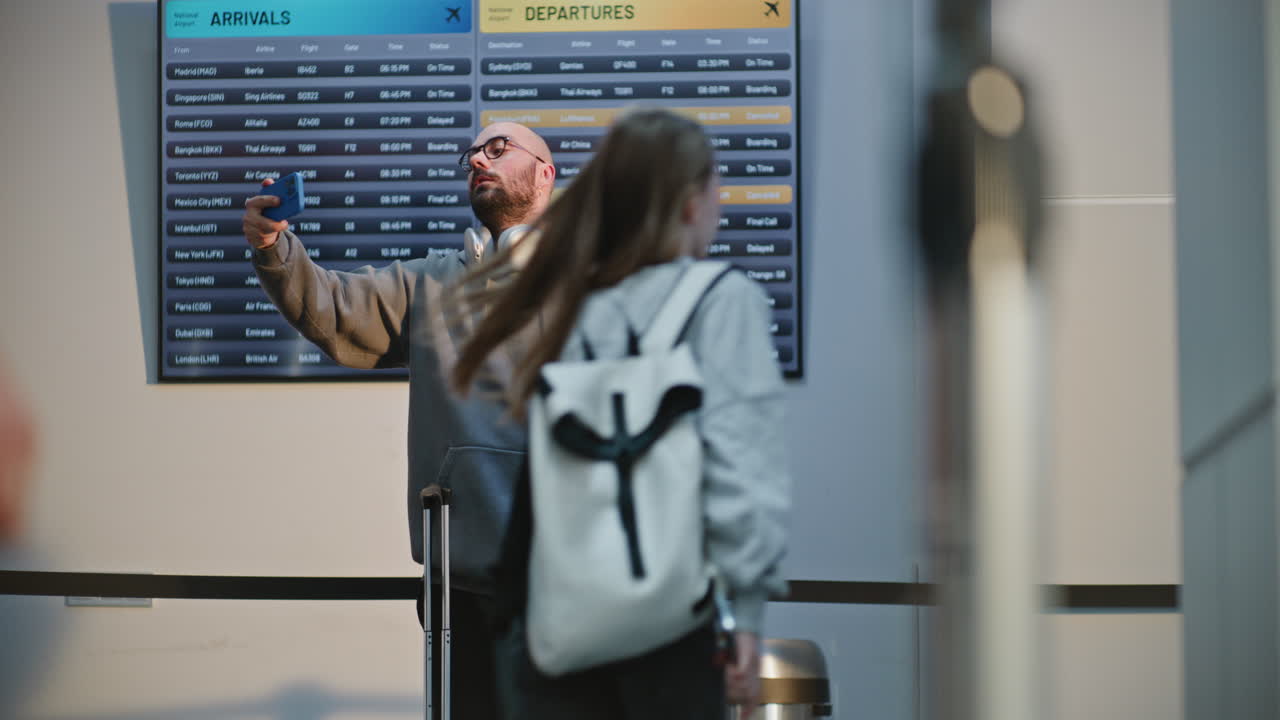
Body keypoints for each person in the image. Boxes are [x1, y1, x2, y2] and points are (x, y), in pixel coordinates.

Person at [450, 107, 791, 719]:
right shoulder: (722, 299)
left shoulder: (579, 301)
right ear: (690, 200)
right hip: (668, 628)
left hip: (561, 625)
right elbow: (741, 463)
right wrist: (748, 615)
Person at [241, 122, 557, 720]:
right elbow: (332, 308)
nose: (478, 162)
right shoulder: (429, 282)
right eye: (471, 155)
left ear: (545, 173)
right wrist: (272, 247)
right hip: (457, 587)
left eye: (498, 149)